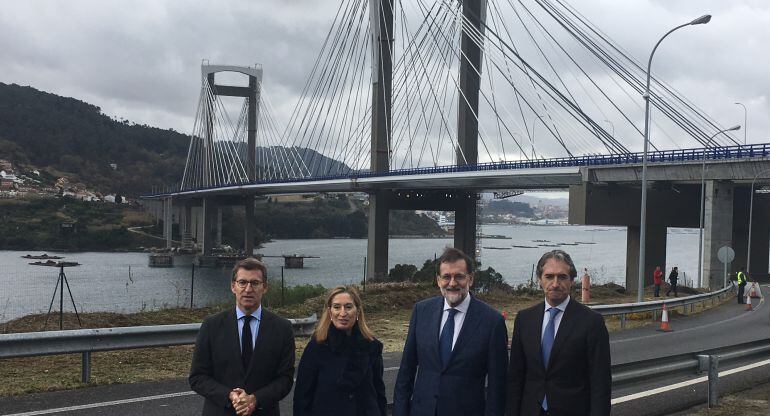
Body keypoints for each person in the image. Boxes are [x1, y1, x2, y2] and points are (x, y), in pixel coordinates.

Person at [393, 247, 508, 416]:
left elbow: (497, 387)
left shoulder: (492, 321)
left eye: (459, 276)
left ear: (471, 278)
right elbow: (406, 372)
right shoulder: (421, 311)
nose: (452, 283)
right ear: (438, 280)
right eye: (446, 277)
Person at [506, 250, 611, 416]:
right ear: (539, 280)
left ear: (572, 281)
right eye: (549, 276)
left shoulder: (592, 322)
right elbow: (516, 377)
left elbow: (600, 383)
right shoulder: (524, 319)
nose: (555, 283)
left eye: (562, 277)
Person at [190, 257, 295, 416]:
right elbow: (198, 377)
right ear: (233, 286)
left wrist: (255, 399)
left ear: (264, 287)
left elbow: (285, 379)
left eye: (254, 283)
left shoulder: (282, 328)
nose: (248, 289)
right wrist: (229, 396)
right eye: (242, 282)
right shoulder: (211, 326)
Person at [293, 286, 387, 416]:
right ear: (330, 312)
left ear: (358, 311)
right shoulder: (317, 347)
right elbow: (302, 397)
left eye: (348, 307)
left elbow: (379, 393)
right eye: (337, 307)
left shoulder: (372, 347)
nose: (343, 313)